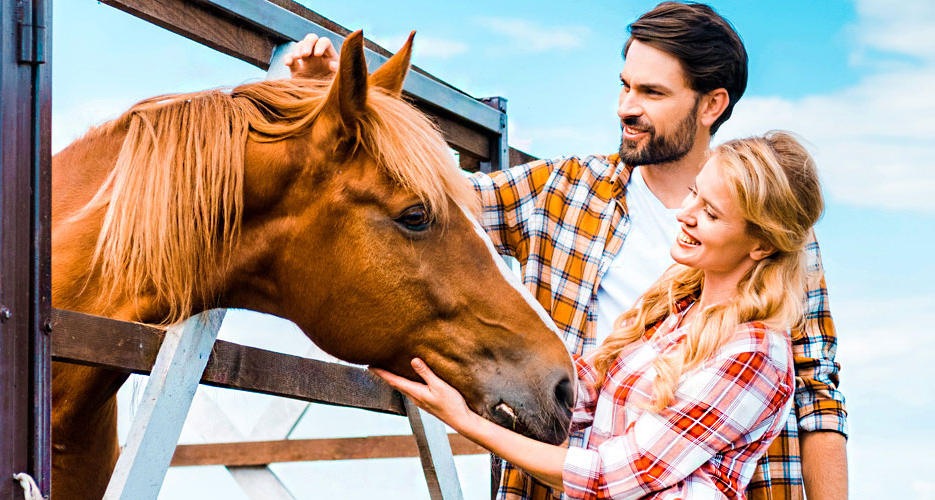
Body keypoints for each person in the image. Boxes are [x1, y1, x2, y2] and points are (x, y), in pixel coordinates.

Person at [284, 3, 847, 499]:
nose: (627, 107)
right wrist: (335, 109)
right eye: (625, 85)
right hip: (556, 480)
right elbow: (419, 202)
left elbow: (818, 394)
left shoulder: (780, 240)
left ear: (710, 105)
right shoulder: (565, 188)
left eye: (652, 93)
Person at [375, 131, 820, 500]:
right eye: (693, 195)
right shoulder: (672, 312)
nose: (685, 215)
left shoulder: (755, 351)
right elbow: (576, 400)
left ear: (761, 244)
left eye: (710, 213)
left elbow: (611, 477)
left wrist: (466, 422)